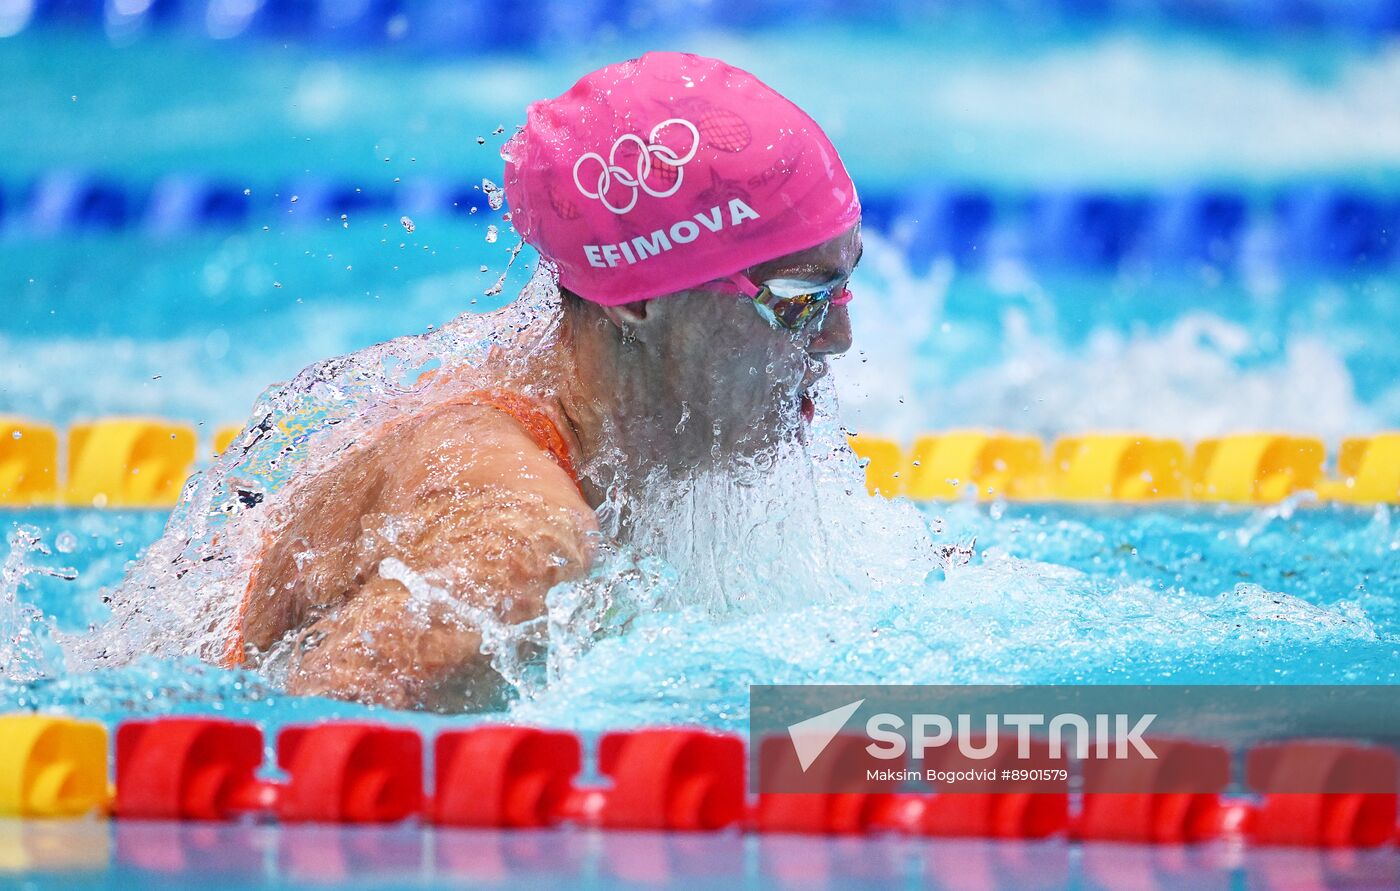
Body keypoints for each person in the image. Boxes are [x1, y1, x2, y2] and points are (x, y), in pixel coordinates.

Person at [228, 51, 863, 710]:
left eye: (845, 286)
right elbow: (284, 761)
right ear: (640, 297)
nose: (837, 339)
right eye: (799, 299)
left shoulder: (609, 443)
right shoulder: (516, 548)